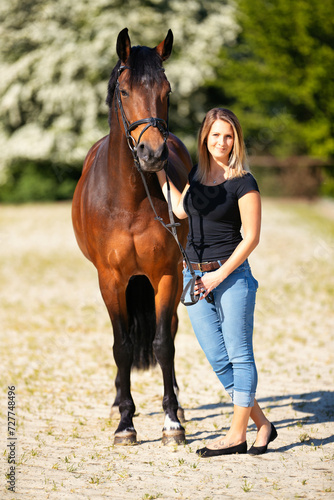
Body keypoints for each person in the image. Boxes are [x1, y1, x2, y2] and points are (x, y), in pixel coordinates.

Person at [156, 108, 277, 457]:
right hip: (194, 277)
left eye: (228, 136)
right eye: (215, 136)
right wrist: (161, 170)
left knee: (240, 356)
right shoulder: (196, 174)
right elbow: (180, 210)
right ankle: (263, 424)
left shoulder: (244, 181)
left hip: (229, 276)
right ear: (205, 139)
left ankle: (236, 434)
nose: (221, 142)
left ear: (235, 139)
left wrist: (218, 276)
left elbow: (251, 237)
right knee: (218, 359)